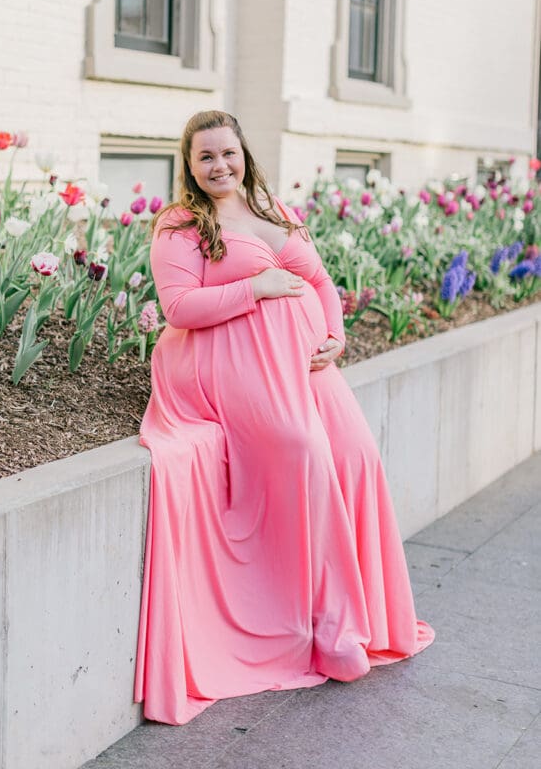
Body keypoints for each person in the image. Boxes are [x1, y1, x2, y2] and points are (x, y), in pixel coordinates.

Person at [133, 110, 435, 725]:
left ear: (245, 154)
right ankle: (325, 627)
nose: (219, 166)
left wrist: (335, 334)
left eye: (228, 153)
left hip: (304, 365)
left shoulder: (272, 208)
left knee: (354, 454)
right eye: (205, 157)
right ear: (188, 166)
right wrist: (259, 287)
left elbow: (320, 280)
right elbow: (180, 307)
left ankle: (369, 614)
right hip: (221, 365)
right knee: (304, 451)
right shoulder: (180, 224)